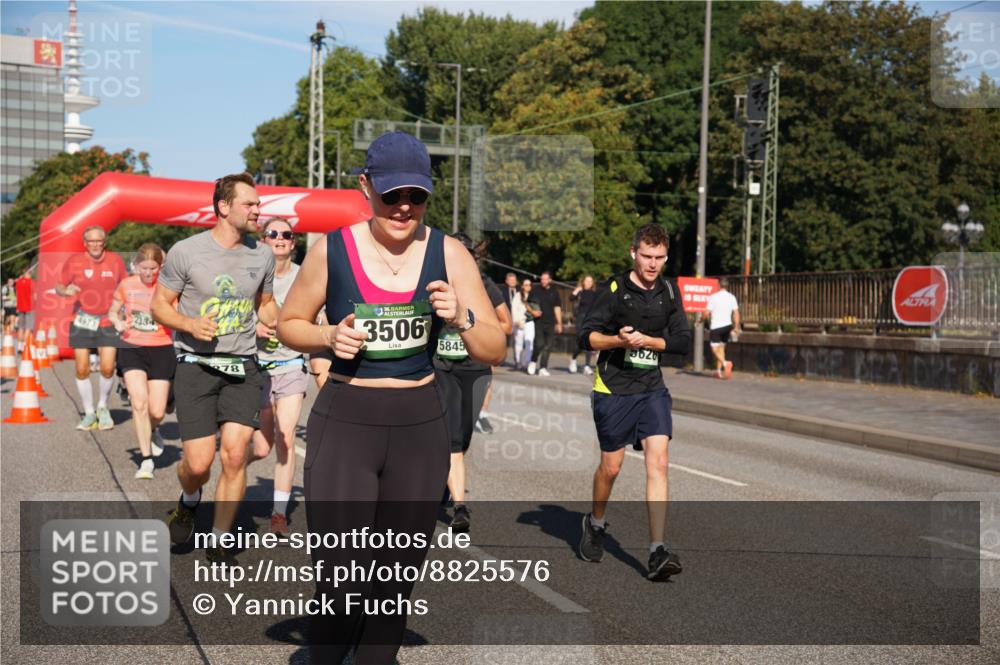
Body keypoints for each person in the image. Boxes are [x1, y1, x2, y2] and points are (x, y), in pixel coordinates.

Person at [277, 131, 505, 664]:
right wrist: (327, 335)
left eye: (416, 196)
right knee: (340, 579)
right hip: (347, 421)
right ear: (366, 187)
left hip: (419, 428)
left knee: (394, 583)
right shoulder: (331, 249)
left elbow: (493, 346)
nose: (404, 207)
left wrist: (461, 317)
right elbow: (289, 323)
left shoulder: (449, 253)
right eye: (391, 195)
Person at [151, 172, 277, 565]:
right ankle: (189, 500)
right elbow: (159, 306)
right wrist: (189, 324)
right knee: (198, 464)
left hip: (243, 365)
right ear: (223, 207)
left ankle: (220, 539)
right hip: (197, 365)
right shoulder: (186, 252)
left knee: (236, 456)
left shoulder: (263, 255)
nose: (257, 210)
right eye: (249, 204)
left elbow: (265, 304)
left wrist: (278, 320)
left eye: (258, 204)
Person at [576, 223, 691, 581]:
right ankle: (595, 522)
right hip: (613, 388)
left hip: (651, 388)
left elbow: (682, 342)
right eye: (646, 256)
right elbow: (586, 337)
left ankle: (657, 551)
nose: (653, 264)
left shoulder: (669, 291)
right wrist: (619, 341)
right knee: (611, 468)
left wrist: (649, 342)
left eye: (659, 257)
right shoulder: (614, 289)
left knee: (660, 462)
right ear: (633, 253)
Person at [434, 233, 511, 532]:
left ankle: (446, 482)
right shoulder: (434, 284)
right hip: (441, 366)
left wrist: (469, 322)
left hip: (475, 368)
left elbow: (505, 325)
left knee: (463, 437)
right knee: (452, 435)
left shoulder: (484, 285)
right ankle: (460, 507)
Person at [249, 217, 308, 536]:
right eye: (273, 233)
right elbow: (234, 313)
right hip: (258, 368)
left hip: (291, 366)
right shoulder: (252, 274)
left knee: (286, 437)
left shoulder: (303, 277)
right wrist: (254, 327)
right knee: (261, 448)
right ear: (264, 240)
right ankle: (234, 467)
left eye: (287, 234)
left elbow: (315, 314)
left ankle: (279, 514)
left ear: (293, 242)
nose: (280, 238)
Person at [108, 243, 176, 479]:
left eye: (153, 268)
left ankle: (153, 429)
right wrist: (117, 322)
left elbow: (178, 314)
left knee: (156, 410)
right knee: (139, 404)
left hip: (161, 348)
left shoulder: (168, 287)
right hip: (132, 347)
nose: (148, 273)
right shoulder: (127, 284)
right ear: (136, 265)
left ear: (160, 267)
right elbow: (113, 310)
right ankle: (146, 460)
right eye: (144, 268)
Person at [56, 226, 127, 431]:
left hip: (108, 320)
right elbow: (59, 286)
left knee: (107, 367)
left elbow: (125, 286)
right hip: (82, 319)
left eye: (99, 241)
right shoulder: (75, 261)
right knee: (81, 368)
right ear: (85, 243)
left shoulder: (115, 260)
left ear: (104, 242)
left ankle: (102, 407)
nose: (95, 244)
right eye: (91, 241)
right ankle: (89, 413)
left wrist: (124, 310)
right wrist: (65, 290)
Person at [527, 270, 562, 376]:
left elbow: (557, 308)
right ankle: (533, 361)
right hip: (539, 321)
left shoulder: (554, 292)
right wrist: (533, 312)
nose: (543, 281)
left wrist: (559, 323)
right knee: (539, 344)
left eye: (545, 279)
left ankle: (543, 367)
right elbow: (527, 304)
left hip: (551, 322)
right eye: (542, 279)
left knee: (548, 345)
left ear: (550, 280)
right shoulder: (535, 290)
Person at [705, 277, 740, 379]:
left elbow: (706, 313)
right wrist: (736, 326)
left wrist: (701, 320)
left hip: (716, 326)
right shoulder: (732, 297)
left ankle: (725, 363)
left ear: (719, 285)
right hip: (727, 326)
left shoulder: (714, 297)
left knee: (714, 349)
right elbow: (736, 313)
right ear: (727, 286)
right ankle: (718, 372)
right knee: (721, 348)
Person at [569, 274, 597, 375]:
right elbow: (571, 298)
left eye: (590, 281)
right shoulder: (580, 292)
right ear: (583, 282)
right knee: (581, 341)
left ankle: (587, 366)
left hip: (591, 319)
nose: (588, 283)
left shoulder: (595, 294)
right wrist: (576, 290)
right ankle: (573, 359)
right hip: (580, 319)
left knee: (589, 342)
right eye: (587, 281)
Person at [513, 278, 539, 371]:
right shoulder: (518, 295)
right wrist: (515, 320)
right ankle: (518, 361)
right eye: (526, 285)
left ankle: (526, 362)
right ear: (522, 286)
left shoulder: (534, 296)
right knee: (519, 343)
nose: (528, 287)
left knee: (529, 342)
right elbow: (514, 308)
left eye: (529, 285)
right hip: (519, 322)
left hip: (530, 322)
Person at [501, 272, 518, 365]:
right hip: (506, 318)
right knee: (504, 341)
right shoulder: (502, 291)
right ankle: (502, 358)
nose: (513, 282)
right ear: (507, 281)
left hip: (518, 319)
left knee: (517, 341)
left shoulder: (519, 290)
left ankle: (517, 360)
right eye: (511, 280)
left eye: (514, 280)